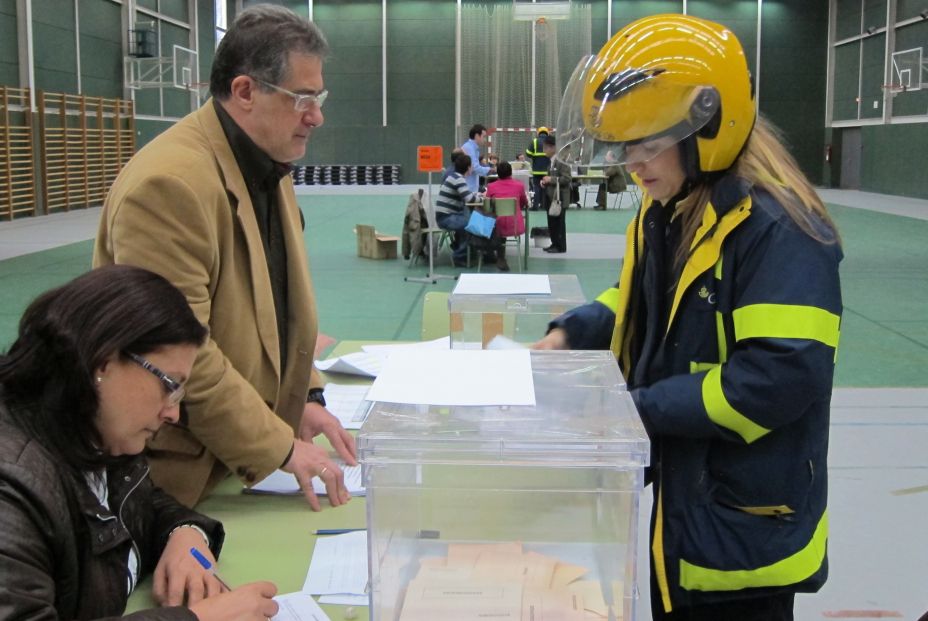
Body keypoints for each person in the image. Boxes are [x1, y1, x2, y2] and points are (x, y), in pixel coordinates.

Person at [536, 15, 842, 620]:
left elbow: (777, 379)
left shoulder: (780, 234)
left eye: (646, 144)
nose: (631, 164)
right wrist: (570, 333)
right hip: (688, 501)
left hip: (742, 529)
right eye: (623, 147)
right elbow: (637, 298)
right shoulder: (671, 209)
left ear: (707, 126)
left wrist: (636, 409)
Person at [93, 5, 356, 511]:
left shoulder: (264, 160)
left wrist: (307, 397)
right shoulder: (170, 185)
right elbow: (179, 355)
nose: (317, 115)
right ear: (244, 91)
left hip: (238, 458)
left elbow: (280, 310)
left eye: (318, 97)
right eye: (302, 98)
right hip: (181, 480)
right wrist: (278, 447)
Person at [0, 265, 279, 621]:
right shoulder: (11, 484)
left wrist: (185, 534)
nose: (173, 413)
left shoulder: (91, 434)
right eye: (169, 384)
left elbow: (144, 505)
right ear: (103, 361)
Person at [435, 153, 479, 267]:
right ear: (468, 168)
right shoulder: (459, 179)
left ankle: (460, 248)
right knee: (472, 226)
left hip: (445, 215)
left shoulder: (454, 176)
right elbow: (469, 198)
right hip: (446, 217)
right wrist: (482, 197)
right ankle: (458, 256)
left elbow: (465, 194)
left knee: (468, 221)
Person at [484, 160, 528, 254]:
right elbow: (524, 203)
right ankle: (500, 255)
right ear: (511, 172)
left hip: (496, 225)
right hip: (514, 225)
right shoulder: (519, 186)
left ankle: (491, 253)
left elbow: (487, 206)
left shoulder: (491, 186)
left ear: (498, 173)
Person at [539, 135, 571, 253]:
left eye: (546, 148)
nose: (544, 151)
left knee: (559, 223)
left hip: (560, 198)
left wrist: (550, 180)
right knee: (552, 222)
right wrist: (544, 182)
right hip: (551, 197)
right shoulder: (551, 162)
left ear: (553, 148)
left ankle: (560, 246)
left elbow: (567, 178)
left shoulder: (562, 161)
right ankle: (554, 243)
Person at [461, 124, 494, 194]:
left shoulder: (474, 148)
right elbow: (475, 168)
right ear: (476, 136)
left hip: (472, 189)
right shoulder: (469, 148)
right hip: (468, 189)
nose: (485, 140)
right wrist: (490, 170)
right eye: (484, 137)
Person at [525, 126, 550, 210]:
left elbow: (528, 153)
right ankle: (545, 206)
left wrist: (534, 156)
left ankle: (535, 206)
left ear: (539, 133)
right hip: (547, 171)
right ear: (547, 133)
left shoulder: (535, 141)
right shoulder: (550, 142)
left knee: (537, 188)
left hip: (537, 170)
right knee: (546, 188)